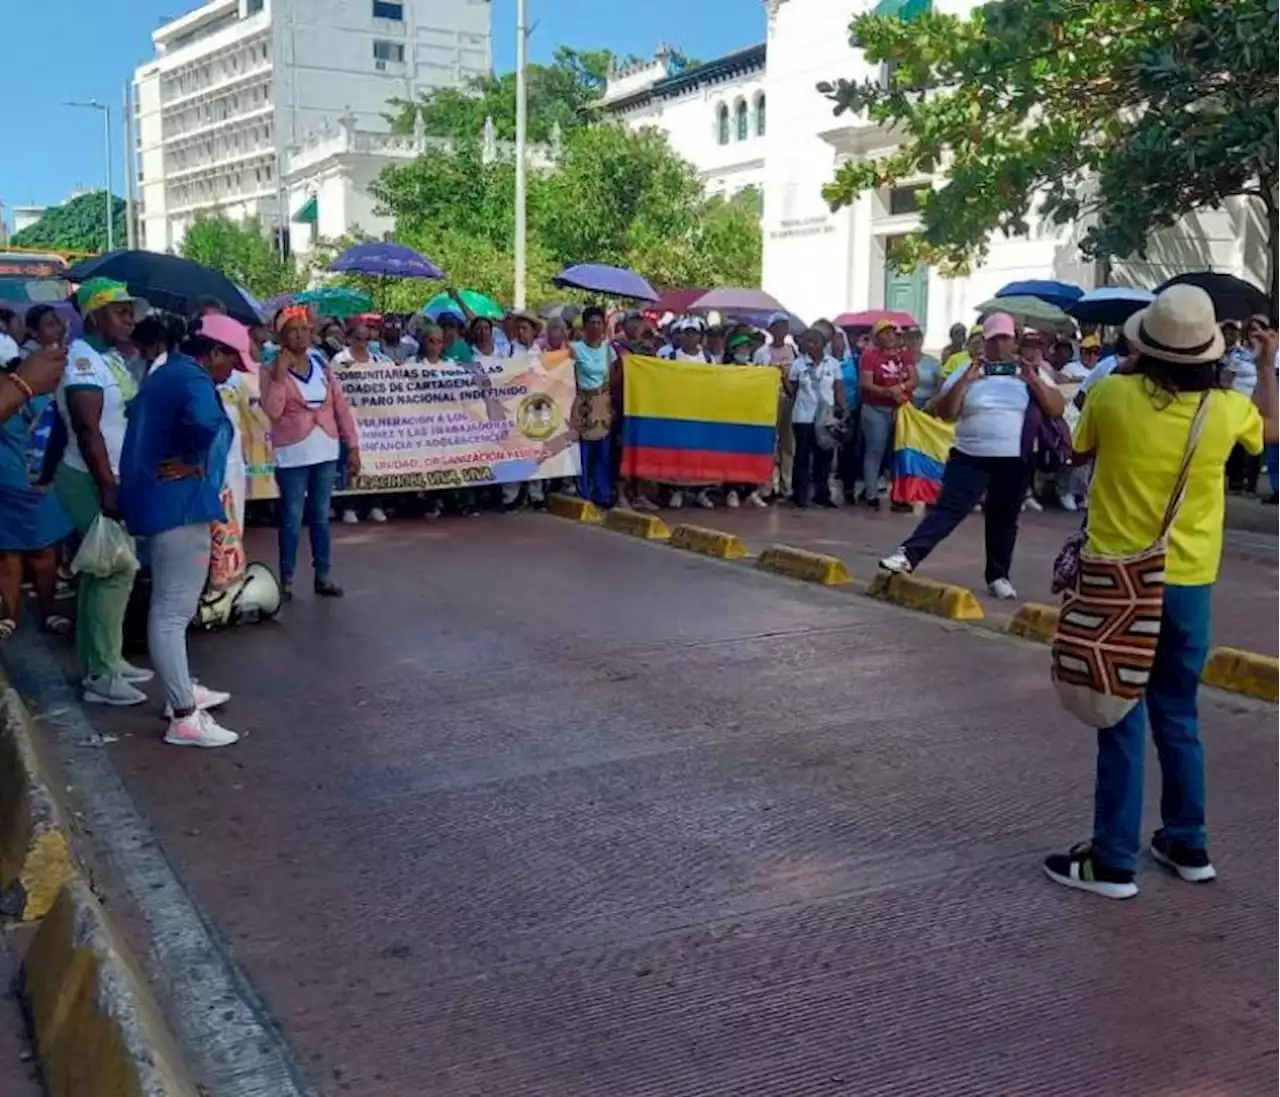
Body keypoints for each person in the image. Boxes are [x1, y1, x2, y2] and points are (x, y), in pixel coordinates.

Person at [1044, 286, 1280, 899]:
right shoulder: (1226, 409)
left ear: (1143, 345)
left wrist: (1122, 371)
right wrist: (1269, 361)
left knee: (1118, 711)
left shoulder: (1115, 394)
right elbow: (1271, 431)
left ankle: (1113, 860)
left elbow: (1078, 446)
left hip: (1118, 582)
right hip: (1191, 582)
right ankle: (1188, 842)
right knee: (1178, 713)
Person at [117, 316, 253, 748]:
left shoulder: (166, 372)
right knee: (173, 612)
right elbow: (204, 420)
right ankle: (183, 715)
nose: (232, 371)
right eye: (230, 360)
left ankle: (182, 691)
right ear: (212, 351)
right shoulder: (192, 379)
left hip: (157, 501)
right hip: (178, 504)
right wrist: (194, 458)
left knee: (169, 609)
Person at [879, 313, 1065, 599]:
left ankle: (999, 575)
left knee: (1004, 518)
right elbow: (946, 412)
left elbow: (1056, 409)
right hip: (971, 455)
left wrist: (1033, 380)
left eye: (1006, 339)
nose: (1001, 346)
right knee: (948, 510)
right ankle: (908, 555)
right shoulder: (967, 369)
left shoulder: (1031, 371)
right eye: (994, 340)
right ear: (984, 342)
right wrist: (965, 382)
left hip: (1014, 457)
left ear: (1014, 341)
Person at [55, 279, 151, 706]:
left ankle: (105, 658)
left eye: (131, 311)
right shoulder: (81, 360)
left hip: (113, 476)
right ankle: (101, 674)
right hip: (91, 478)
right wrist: (108, 487)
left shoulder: (108, 358)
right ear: (94, 315)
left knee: (104, 568)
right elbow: (87, 428)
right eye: (119, 311)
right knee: (115, 569)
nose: (129, 318)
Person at [261, 306, 360, 601]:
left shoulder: (321, 364)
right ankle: (287, 578)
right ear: (281, 336)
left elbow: (340, 406)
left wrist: (352, 445)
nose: (300, 335)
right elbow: (273, 411)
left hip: (325, 449)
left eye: (304, 329)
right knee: (291, 516)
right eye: (293, 330)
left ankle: (323, 575)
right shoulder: (268, 370)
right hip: (292, 452)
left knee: (320, 515)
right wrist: (279, 375)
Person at [0, 312, 74, 640]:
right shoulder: (24, 390)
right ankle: (22, 614)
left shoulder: (33, 393)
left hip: (31, 484)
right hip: (15, 483)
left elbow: (54, 432)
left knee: (31, 552)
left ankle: (33, 614)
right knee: (19, 552)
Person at [330, 316, 390, 525]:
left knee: (374, 463)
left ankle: (375, 504)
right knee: (350, 463)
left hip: (374, 421)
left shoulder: (379, 360)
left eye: (366, 339)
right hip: (350, 420)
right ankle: (348, 505)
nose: (362, 342)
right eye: (358, 338)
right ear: (349, 338)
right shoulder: (340, 360)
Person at [858, 319, 916, 510]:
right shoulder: (869, 356)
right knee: (875, 450)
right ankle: (871, 494)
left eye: (893, 333)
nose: (889, 336)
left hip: (900, 409)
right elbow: (866, 383)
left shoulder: (905, 355)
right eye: (884, 333)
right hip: (875, 408)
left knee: (900, 452)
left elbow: (913, 379)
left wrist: (898, 388)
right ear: (877, 337)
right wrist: (887, 391)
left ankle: (899, 496)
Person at [785, 328, 845, 509]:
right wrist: (782, 378)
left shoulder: (833, 364)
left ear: (823, 344)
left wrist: (841, 409)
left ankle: (822, 493)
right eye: (808, 341)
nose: (811, 345)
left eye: (815, 341)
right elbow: (792, 392)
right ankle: (800, 494)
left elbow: (838, 388)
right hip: (803, 416)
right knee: (802, 456)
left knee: (824, 456)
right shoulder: (798, 365)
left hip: (825, 418)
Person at [571, 306, 615, 507]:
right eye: (592, 322)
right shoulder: (575, 349)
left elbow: (615, 374)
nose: (595, 326)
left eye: (599, 322)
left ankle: (602, 492)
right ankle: (584, 491)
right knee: (584, 451)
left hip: (602, 402)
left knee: (603, 451)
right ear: (585, 325)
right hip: (583, 403)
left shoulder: (608, 350)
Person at [722, 331, 770, 509]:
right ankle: (731, 491)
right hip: (732, 418)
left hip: (752, 418)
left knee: (751, 455)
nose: (745, 350)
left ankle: (750, 491)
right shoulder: (725, 369)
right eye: (742, 347)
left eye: (747, 347)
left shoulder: (755, 369)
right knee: (732, 456)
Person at [754, 313, 797, 500]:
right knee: (768, 444)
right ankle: (767, 486)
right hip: (768, 402)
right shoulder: (761, 353)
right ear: (770, 329)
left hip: (789, 401)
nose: (781, 330)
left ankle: (787, 485)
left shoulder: (792, 350)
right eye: (777, 326)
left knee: (788, 444)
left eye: (784, 326)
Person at [906, 325, 941, 409]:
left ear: (922, 340)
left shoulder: (933, 362)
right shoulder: (898, 361)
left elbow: (940, 385)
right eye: (910, 338)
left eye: (917, 338)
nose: (914, 341)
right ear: (905, 340)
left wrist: (932, 400)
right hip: (905, 404)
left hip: (927, 404)